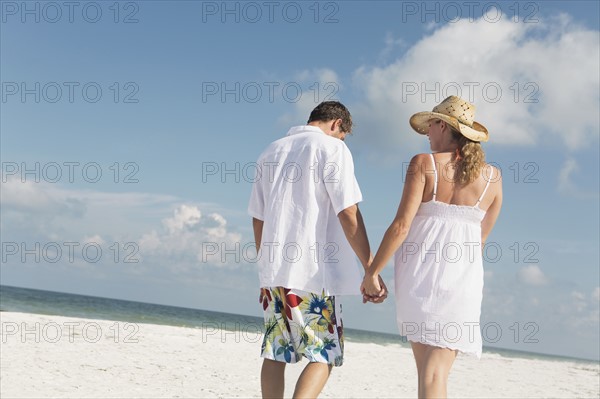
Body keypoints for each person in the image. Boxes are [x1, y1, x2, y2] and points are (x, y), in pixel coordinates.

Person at [361, 96, 503, 398]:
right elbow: (479, 241)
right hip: (462, 283)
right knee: (434, 374)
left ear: (442, 125)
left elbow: (400, 226)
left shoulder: (424, 164)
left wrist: (372, 273)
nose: (426, 133)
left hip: (419, 279)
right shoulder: (493, 178)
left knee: (428, 372)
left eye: (430, 126)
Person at [248, 101, 388, 399]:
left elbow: (258, 218)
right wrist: (370, 267)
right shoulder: (331, 148)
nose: (342, 141)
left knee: (277, 351)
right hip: (310, 271)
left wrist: (265, 267)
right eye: (343, 135)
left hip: (272, 272)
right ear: (337, 124)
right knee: (324, 353)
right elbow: (348, 212)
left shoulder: (270, 151)